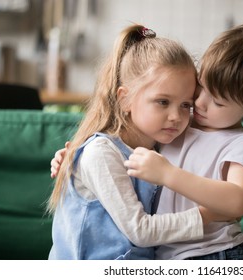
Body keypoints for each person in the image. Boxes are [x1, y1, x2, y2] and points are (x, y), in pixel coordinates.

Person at [51, 23, 243, 260]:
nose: (198, 104)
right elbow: (115, 151)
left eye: (217, 102)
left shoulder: (240, 144)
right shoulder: (177, 128)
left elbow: (239, 200)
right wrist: (75, 158)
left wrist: (168, 174)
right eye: (200, 88)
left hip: (216, 252)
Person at [47, 24, 218, 260]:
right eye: (162, 102)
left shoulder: (162, 148)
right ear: (125, 99)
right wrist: (207, 216)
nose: (176, 117)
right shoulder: (101, 153)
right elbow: (140, 231)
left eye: (185, 105)